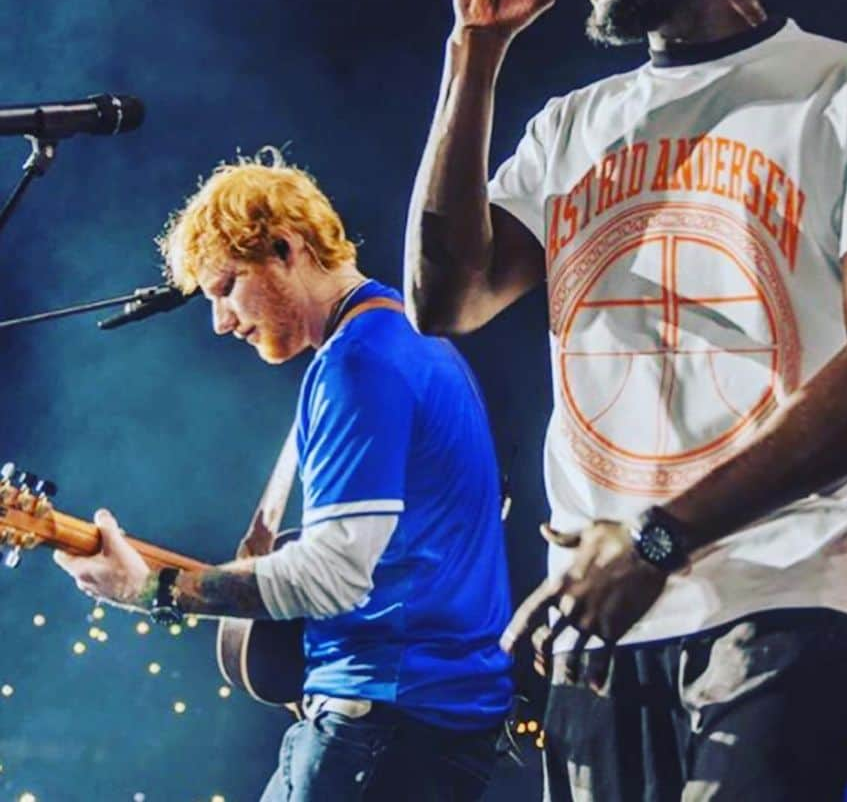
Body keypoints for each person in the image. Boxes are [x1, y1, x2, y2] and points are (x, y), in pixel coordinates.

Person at [404, 0, 847, 800]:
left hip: (776, 591)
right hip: (601, 611)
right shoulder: (571, 128)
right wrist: (477, 50)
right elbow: (446, 297)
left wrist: (659, 537)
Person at [55, 151, 513, 801]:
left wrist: (153, 590)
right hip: (421, 726)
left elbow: (330, 577)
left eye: (224, 287)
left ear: (286, 249)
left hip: (382, 729)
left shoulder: (361, 365)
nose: (220, 322)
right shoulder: (408, 337)